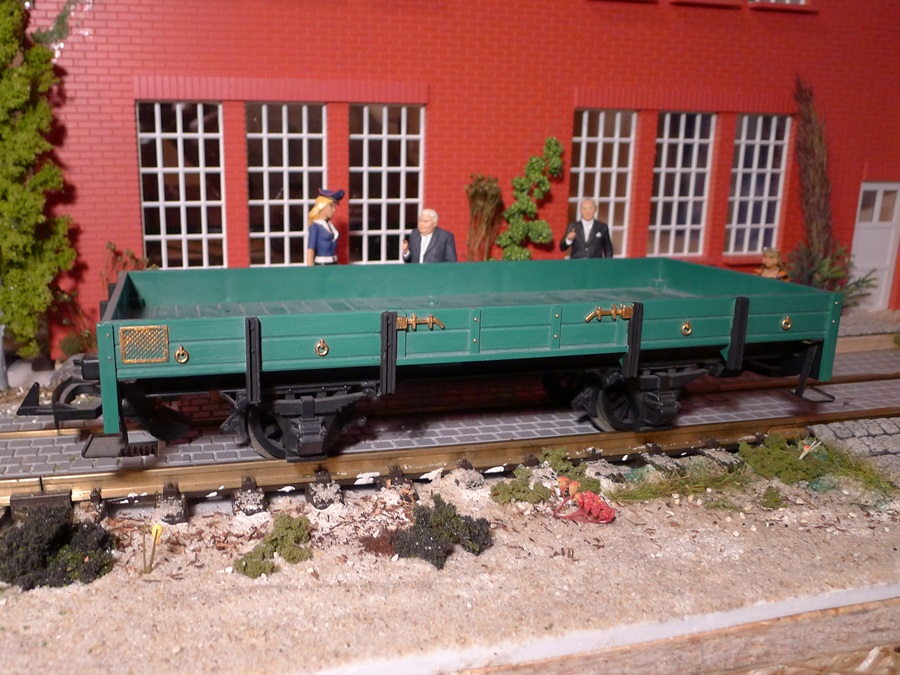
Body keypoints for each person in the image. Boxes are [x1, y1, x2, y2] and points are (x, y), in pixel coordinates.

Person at [306, 188, 344, 266]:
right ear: (322, 205)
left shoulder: (331, 226)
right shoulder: (315, 226)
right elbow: (310, 249)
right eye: (331, 206)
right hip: (322, 264)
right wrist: (309, 269)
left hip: (334, 263)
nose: (334, 210)